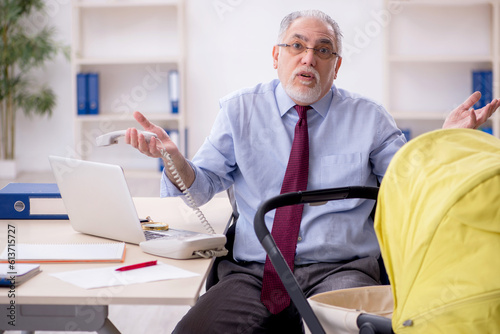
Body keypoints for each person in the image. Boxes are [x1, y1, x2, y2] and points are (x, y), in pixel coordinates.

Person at [126, 10, 499, 333]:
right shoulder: (238, 111)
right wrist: (174, 162)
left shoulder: (369, 118)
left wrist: (443, 141)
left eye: (323, 50)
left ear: (336, 66)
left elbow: (410, 183)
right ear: (276, 55)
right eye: (297, 46)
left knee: (364, 329)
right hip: (255, 272)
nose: (308, 59)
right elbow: (201, 186)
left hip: (342, 270)